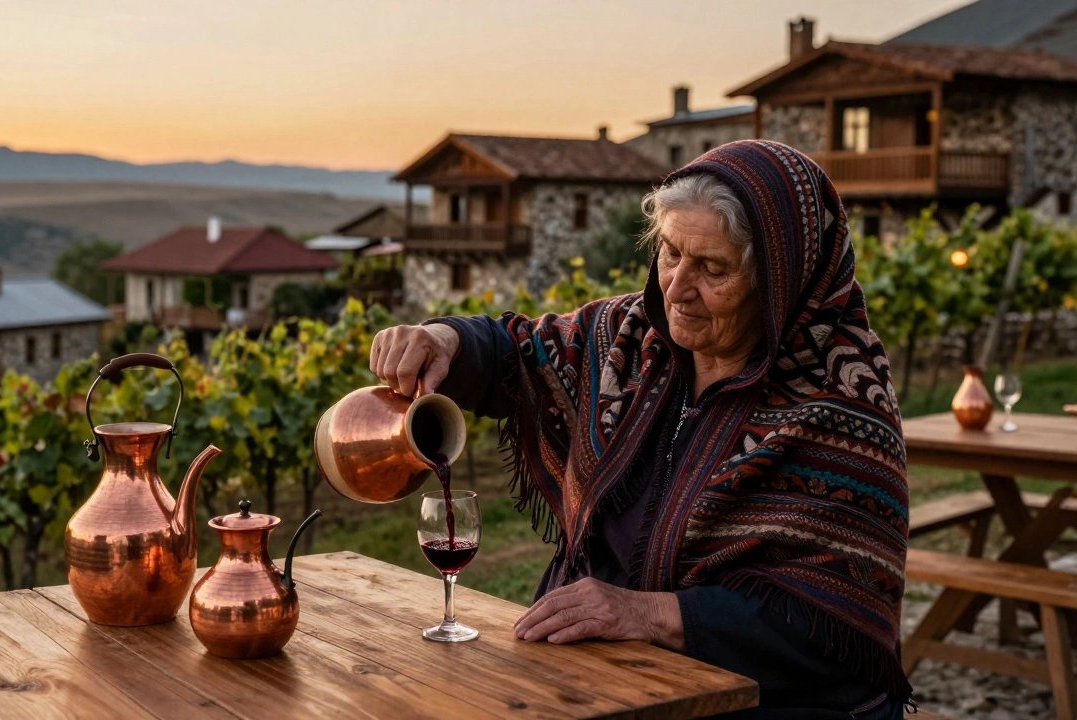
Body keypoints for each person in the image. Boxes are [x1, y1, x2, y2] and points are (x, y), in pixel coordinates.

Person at [370, 141, 910, 719]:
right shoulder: (627, 337)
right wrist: (444, 339)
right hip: (602, 681)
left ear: (779, 282)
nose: (677, 287)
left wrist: (646, 613)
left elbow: (830, 626)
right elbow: (515, 349)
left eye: (713, 268)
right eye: (671, 253)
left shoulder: (840, 401)